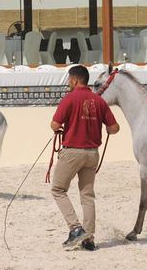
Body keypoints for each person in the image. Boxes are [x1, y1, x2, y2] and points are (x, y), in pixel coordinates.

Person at [49, 64, 120, 251]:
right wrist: (105, 129)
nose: (68, 84)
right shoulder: (99, 101)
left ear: (74, 80)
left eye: (69, 81)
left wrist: (62, 127)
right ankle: (89, 239)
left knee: (58, 189)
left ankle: (76, 229)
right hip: (92, 153)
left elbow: (55, 125)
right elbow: (115, 128)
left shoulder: (69, 98)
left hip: (72, 151)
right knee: (87, 195)